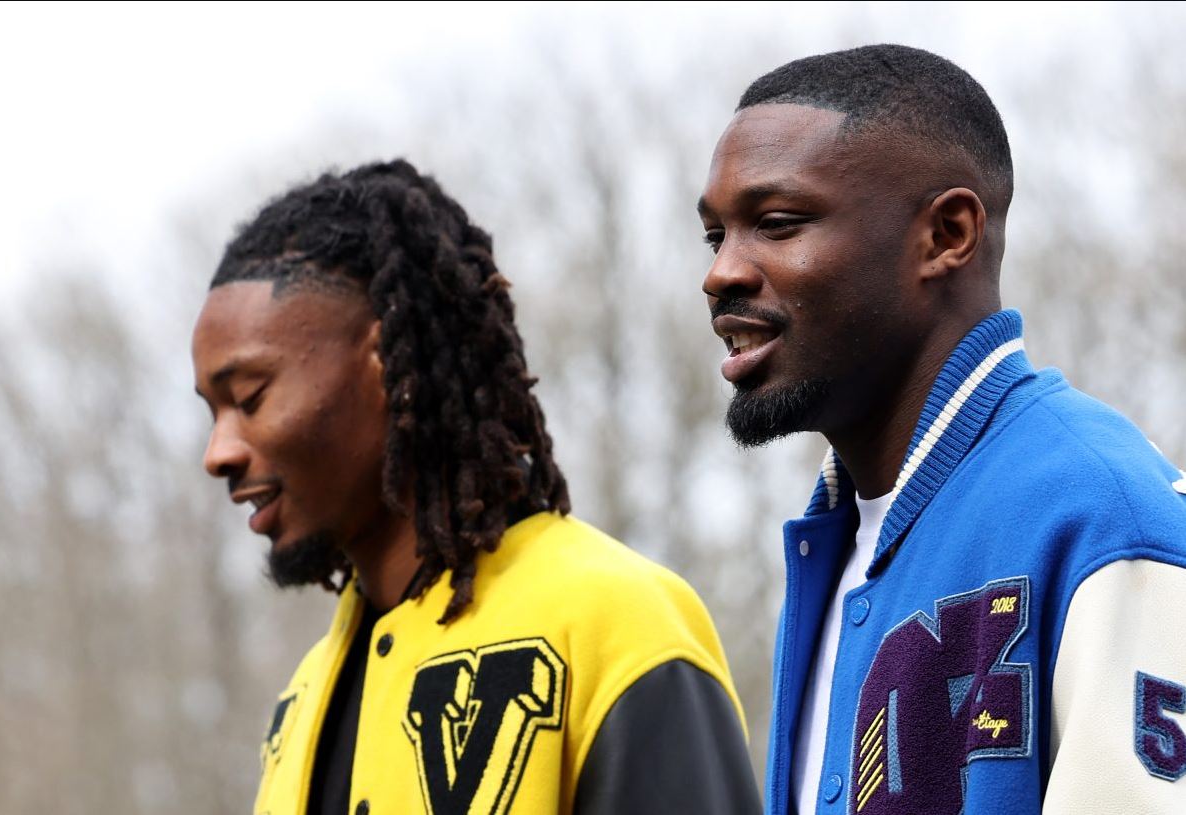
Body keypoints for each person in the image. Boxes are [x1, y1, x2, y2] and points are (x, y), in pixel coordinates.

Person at [697, 44, 1186, 815]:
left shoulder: (1107, 517)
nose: (720, 272)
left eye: (776, 223)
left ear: (947, 234)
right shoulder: (833, 540)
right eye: (715, 236)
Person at [191, 160, 760, 815]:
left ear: (384, 359)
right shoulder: (302, 700)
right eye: (212, 411)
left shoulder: (615, 619)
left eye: (249, 397)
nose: (218, 453)